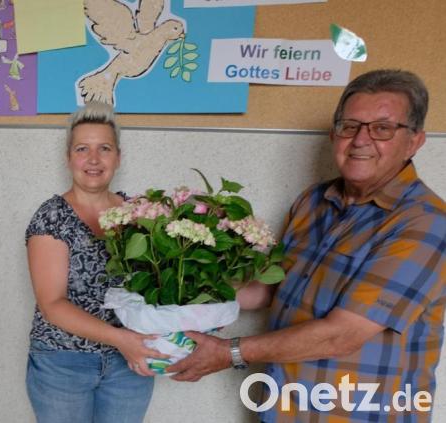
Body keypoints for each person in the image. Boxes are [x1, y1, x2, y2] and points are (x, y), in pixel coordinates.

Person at [168, 69, 446, 422]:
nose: (361, 139)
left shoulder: (425, 223)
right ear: (334, 135)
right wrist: (177, 291)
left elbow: (343, 335)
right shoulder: (314, 200)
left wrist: (228, 352)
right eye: (350, 126)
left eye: (382, 128)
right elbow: (266, 289)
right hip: (283, 408)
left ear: (415, 141)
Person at [24, 101, 168, 423]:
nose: (93, 159)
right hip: (62, 363)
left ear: (118, 157)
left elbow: (163, 283)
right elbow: (52, 304)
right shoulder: (51, 217)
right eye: (82, 149)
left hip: (128, 365)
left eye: (104, 148)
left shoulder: (141, 215)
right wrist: (122, 340)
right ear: (68, 158)